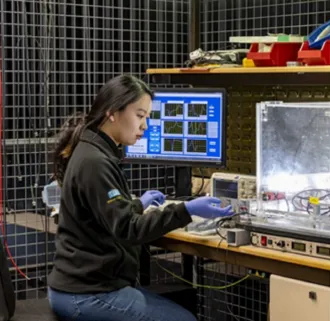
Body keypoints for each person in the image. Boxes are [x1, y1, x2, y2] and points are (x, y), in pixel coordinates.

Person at [47, 74, 233, 321]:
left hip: (81, 287)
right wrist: (186, 210)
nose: (145, 125)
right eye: (140, 115)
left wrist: (136, 204)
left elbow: (105, 214)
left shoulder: (93, 149)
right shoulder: (95, 162)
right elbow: (129, 229)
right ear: (113, 112)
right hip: (85, 294)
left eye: (147, 117)